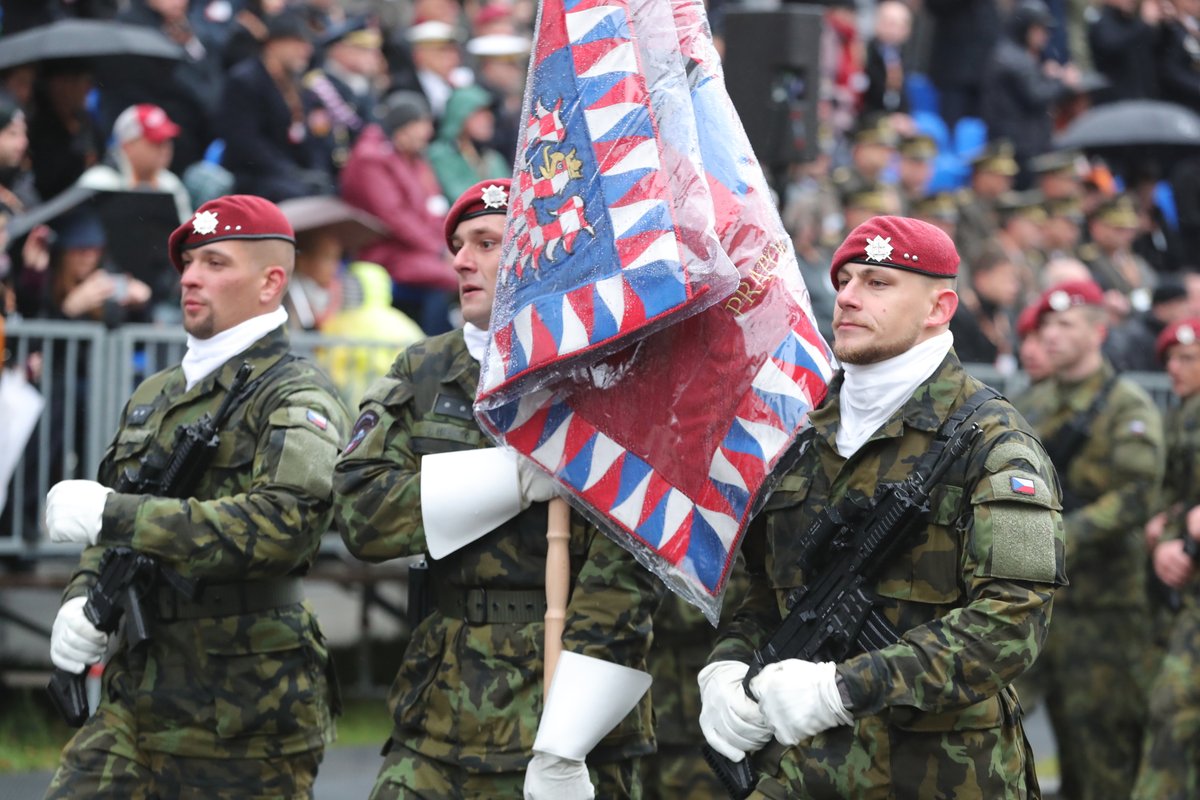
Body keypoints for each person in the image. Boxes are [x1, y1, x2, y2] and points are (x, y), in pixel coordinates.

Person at [700, 215, 1066, 797]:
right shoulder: (797, 432)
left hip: (940, 774)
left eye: (876, 282)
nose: (846, 297)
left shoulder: (993, 444)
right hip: (802, 773)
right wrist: (727, 666)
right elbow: (770, 592)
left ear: (939, 308)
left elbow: (1012, 623)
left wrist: (843, 689)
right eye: (843, 281)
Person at [331, 179, 661, 799]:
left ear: (541, 253)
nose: (459, 260)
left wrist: (569, 736)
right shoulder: (425, 370)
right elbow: (362, 514)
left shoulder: (605, 377)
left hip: (567, 693)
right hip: (440, 702)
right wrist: (505, 478)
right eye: (457, 244)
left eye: (486, 243)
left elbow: (629, 567)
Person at [40, 194, 351, 798]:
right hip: (139, 687)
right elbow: (119, 517)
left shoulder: (296, 394)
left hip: (245, 704)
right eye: (188, 262)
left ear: (270, 283)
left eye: (215, 262)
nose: (190, 277)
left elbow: (283, 526)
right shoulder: (157, 393)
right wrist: (82, 597)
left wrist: (114, 515)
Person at [1013, 278, 1165, 800]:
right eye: (1047, 324)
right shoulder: (1030, 401)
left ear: (1099, 332)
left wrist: (1056, 538)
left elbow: (1136, 496)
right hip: (1033, 602)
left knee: (1100, 754)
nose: (1051, 335)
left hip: (1101, 611)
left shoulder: (1127, 406)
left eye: (1067, 325)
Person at [1134, 316, 1200, 800]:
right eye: (1170, 359)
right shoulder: (1183, 412)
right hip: (1185, 590)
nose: (1175, 368)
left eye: (1187, 358)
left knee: (1172, 706)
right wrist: (1168, 530)